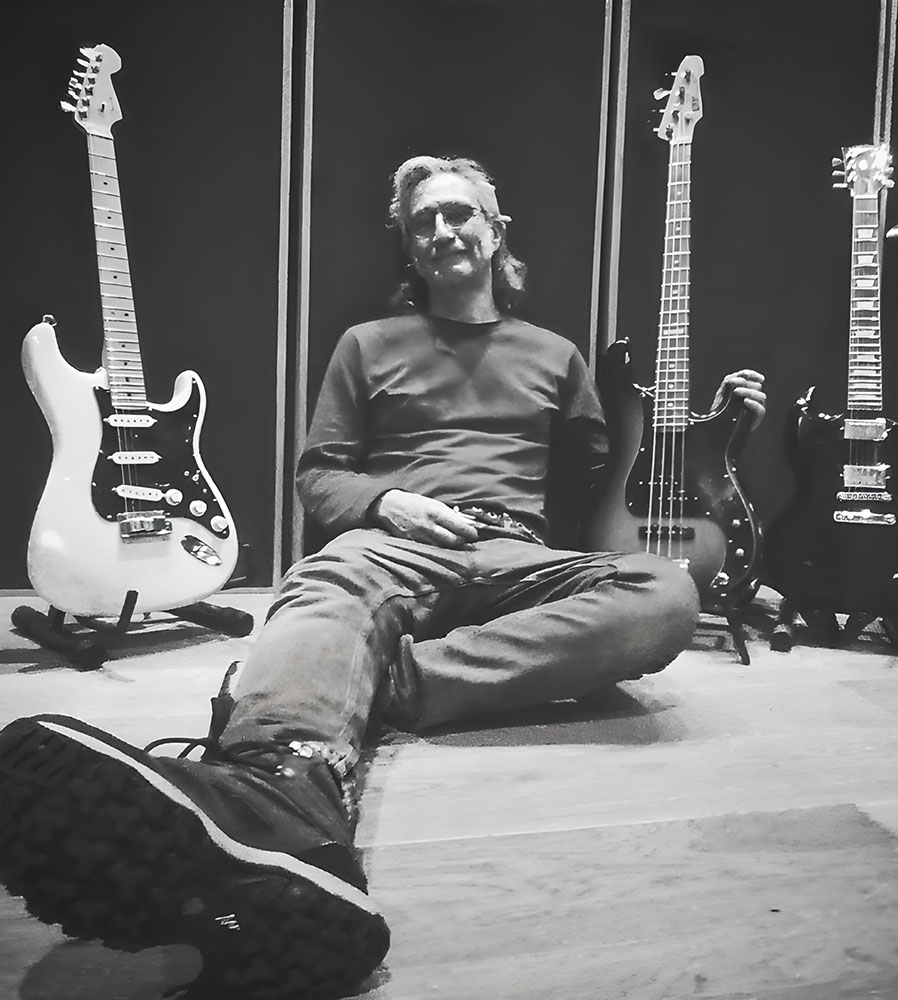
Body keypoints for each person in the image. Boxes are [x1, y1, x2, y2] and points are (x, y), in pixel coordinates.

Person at [0, 155, 766, 999]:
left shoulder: (556, 356)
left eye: (458, 214)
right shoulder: (367, 344)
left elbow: (609, 477)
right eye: (423, 221)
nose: (442, 231)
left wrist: (714, 436)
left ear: (495, 229)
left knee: (665, 594)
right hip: (395, 541)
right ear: (408, 242)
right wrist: (389, 502)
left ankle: (353, 683)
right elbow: (318, 476)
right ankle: (277, 796)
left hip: (517, 552)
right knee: (326, 586)